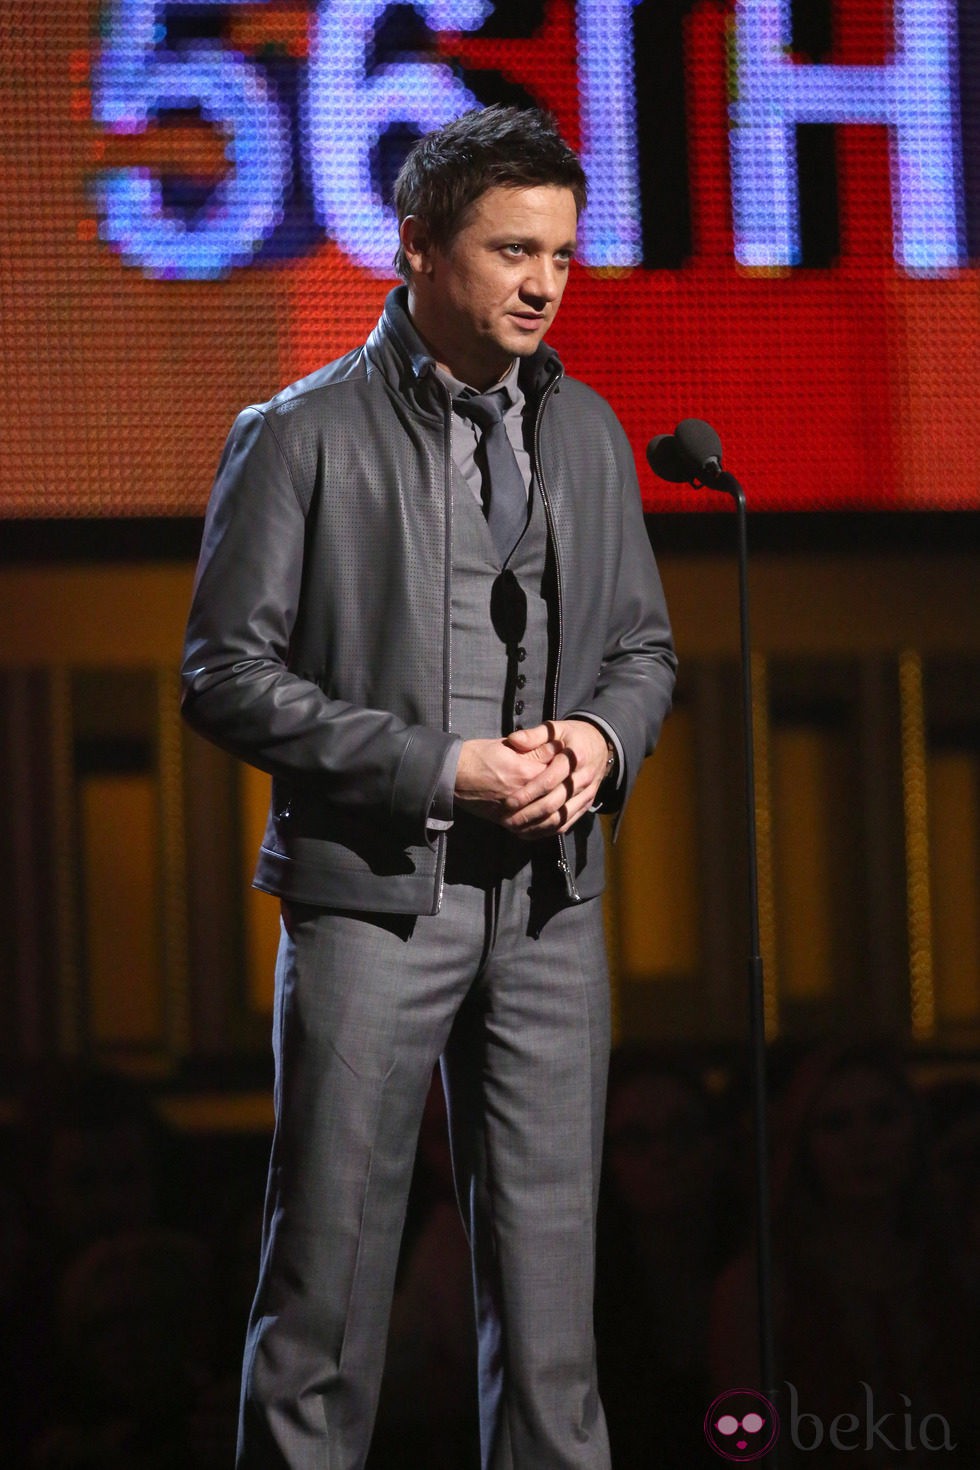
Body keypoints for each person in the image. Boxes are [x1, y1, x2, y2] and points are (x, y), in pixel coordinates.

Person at [181, 104, 676, 1470]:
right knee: (327, 1300)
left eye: (563, 256)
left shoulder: (585, 430)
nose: (542, 282)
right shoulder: (298, 435)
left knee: (554, 1319)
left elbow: (643, 645)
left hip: (553, 908)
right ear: (417, 252)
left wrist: (599, 741)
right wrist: (434, 765)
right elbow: (222, 672)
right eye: (513, 250)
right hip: (370, 904)